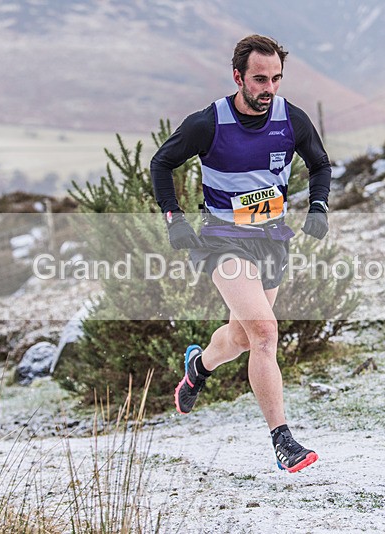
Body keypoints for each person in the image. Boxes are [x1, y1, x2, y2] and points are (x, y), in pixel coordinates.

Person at [150, 34, 331, 473]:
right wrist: (175, 219)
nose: (268, 88)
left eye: (276, 79)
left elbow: (320, 163)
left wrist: (319, 206)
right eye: (259, 79)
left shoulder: (292, 119)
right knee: (266, 333)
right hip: (222, 239)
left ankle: (199, 366)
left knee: (242, 337)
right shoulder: (208, 122)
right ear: (238, 77)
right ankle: (282, 439)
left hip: (271, 238)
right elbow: (161, 163)